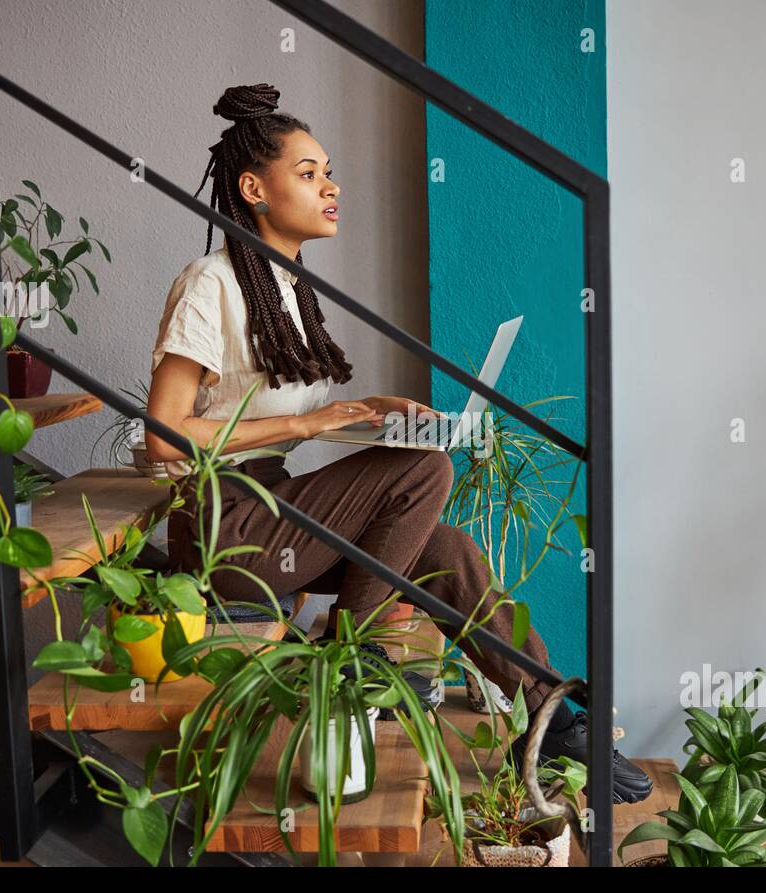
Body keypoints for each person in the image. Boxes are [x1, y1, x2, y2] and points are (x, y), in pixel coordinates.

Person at [145, 83, 651, 804]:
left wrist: (368, 416)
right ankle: (352, 657)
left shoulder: (283, 286)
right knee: (424, 469)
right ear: (254, 188)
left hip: (270, 503)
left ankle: (552, 720)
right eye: (310, 172)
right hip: (227, 527)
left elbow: (252, 406)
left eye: (329, 171)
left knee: (449, 553)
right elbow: (164, 440)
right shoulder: (210, 282)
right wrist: (309, 425)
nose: (332, 186)